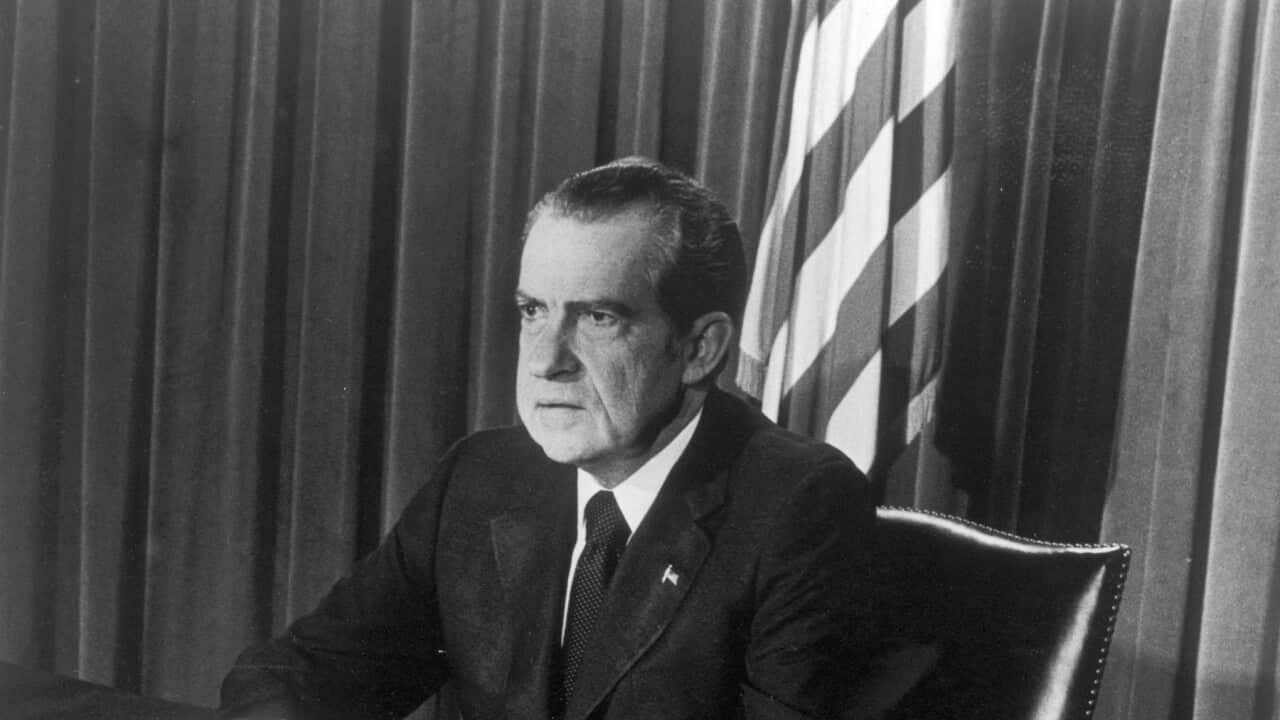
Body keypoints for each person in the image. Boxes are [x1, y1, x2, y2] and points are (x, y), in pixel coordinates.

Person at [219, 159, 876, 720]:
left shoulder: (797, 507)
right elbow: (296, 676)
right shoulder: (481, 478)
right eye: (533, 311)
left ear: (700, 349)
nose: (544, 360)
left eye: (597, 317)